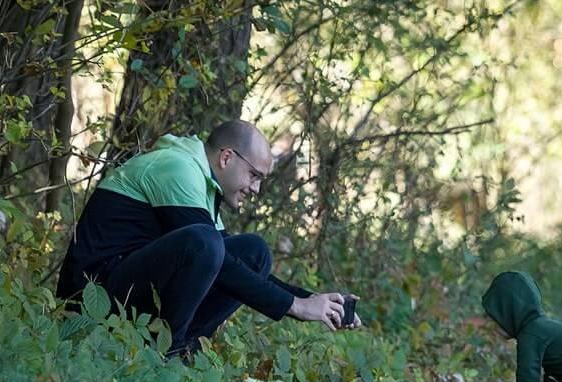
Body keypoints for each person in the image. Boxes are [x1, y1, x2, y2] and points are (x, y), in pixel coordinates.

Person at [56, 121, 360, 355]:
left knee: (253, 252)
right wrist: (294, 305)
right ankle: (166, 352)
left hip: (125, 290)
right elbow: (215, 257)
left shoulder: (202, 182)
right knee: (207, 243)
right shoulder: (176, 167)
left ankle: (180, 349)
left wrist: (313, 301)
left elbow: (231, 265)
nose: (256, 190)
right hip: (90, 297)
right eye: (254, 176)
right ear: (227, 157)